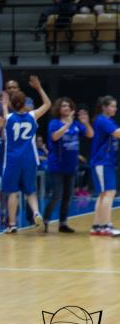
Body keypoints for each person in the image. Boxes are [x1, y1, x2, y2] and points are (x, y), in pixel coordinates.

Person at [1, 76, 51, 233]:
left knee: (12, 192)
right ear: (25, 103)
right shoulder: (32, 116)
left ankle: (12, 224)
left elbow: (4, 114)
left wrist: (4, 104)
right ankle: (36, 212)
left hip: (12, 159)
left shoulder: (8, 117)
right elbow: (48, 104)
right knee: (30, 191)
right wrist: (39, 88)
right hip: (29, 158)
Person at [43, 97, 94, 234]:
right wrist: (67, 125)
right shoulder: (54, 123)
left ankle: (63, 223)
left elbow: (90, 134)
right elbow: (54, 137)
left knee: (68, 196)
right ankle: (45, 221)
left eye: (68, 106)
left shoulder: (76, 124)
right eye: (63, 106)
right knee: (56, 195)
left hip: (71, 166)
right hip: (57, 165)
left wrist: (86, 123)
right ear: (59, 109)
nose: (66, 108)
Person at [89, 96, 120, 237]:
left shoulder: (109, 121)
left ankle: (97, 226)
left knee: (104, 194)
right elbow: (117, 133)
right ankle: (106, 225)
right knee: (109, 192)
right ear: (104, 107)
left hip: (107, 161)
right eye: (112, 106)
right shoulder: (102, 120)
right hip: (102, 161)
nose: (115, 109)